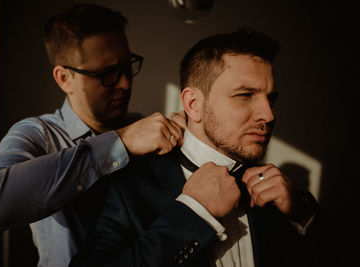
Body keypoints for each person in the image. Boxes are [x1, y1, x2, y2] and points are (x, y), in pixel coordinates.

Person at [69, 27, 334, 267]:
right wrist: (194, 212)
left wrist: (302, 214)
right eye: (244, 95)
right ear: (193, 104)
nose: (269, 114)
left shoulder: (279, 195)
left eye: (270, 98)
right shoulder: (129, 187)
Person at [0, 3, 185, 267]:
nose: (125, 83)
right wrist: (120, 143)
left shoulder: (144, 127)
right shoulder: (38, 134)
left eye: (127, 65)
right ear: (64, 78)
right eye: (107, 73)